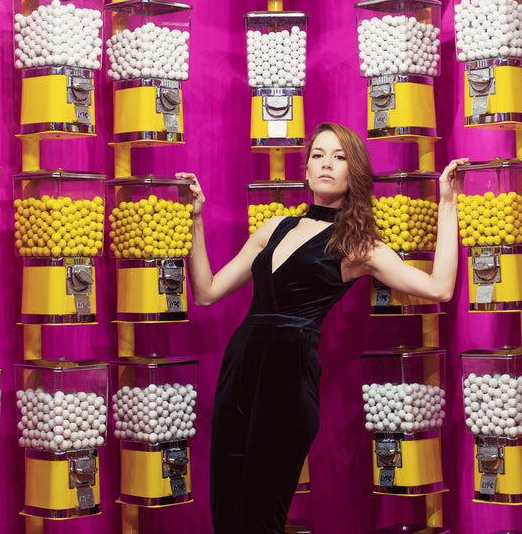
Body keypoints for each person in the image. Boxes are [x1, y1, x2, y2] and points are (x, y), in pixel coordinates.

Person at [176, 122, 466, 534]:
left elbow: (439, 288)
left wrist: (448, 203)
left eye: (339, 156)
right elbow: (205, 292)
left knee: (261, 516)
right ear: (306, 171)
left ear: (354, 174)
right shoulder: (272, 228)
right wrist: (196, 218)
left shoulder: (357, 244)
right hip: (239, 369)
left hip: (288, 377)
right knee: (225, 511)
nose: (327, 164)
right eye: (318, 155)